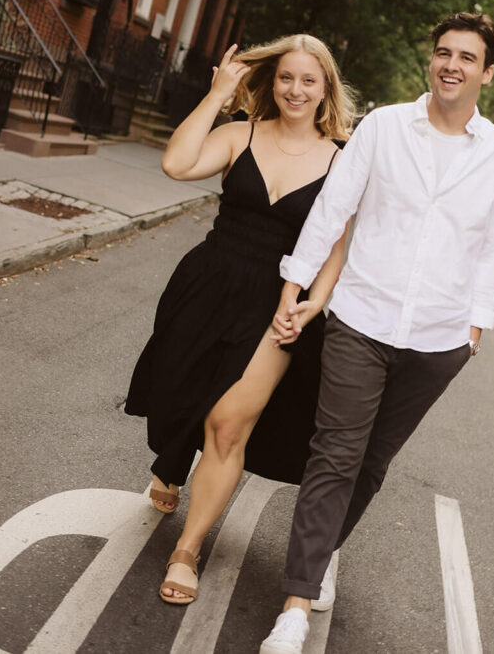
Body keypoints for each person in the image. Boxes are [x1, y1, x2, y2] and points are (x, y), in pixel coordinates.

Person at [259, 12, 494, 653]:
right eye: (443, 52)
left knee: (373, 465)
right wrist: (294, 288)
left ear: (487, 73)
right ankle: (294, 607)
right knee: (335, 455)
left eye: (467, 57)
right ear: (431, 61)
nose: (452, 65)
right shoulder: (381, 128)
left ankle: (317, 559)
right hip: (361, 319)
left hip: (438, 341)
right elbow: (332, 210)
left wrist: (474, 331)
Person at [123, 34, 356, 605]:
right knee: (182, 396)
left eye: (308, 80)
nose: (295, 89)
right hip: (208, 283)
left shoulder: (344, 159)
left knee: (228, 425)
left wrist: (313, 303)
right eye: (284, 77)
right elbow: (177, 163)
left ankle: (187, 549)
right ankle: (172, 464)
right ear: (270, 82)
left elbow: (339, 247)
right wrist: (219, 93)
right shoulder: (241, 133)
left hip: (279, 304)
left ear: (325, 88)